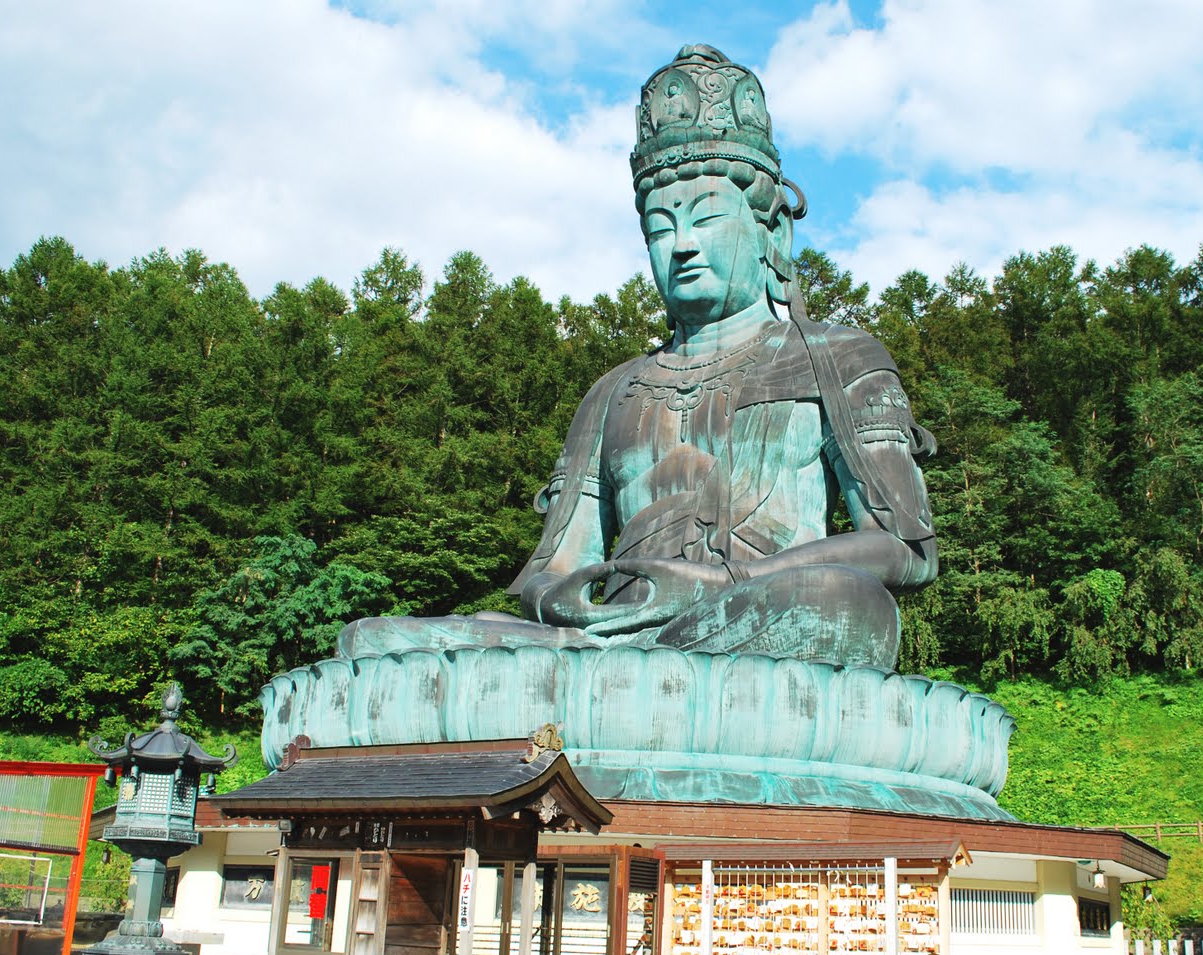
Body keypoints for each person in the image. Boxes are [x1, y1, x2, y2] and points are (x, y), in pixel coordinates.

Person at [338, 44, 936, 670]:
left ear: (772, 233)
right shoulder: (613, 392)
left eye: (706, 219)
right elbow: (552, 571)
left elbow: (904, 548)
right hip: (608, 637)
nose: (681, 246)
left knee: (843, 603)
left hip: (763, 618)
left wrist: (723, 586)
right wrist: (570, 601)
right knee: (374, 643)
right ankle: (618, 674)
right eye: (659, 228)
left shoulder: (835, 357)